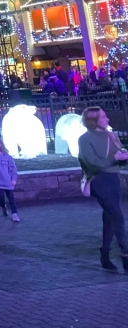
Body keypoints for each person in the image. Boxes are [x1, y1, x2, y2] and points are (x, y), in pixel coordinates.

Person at [78, 107, 128, 272]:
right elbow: (92, 162)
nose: (107, 119)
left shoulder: (110, 136)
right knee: (118, 217)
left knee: (110, 218)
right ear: (94, 121)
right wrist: (114, 158)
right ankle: (125, 254)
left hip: (113, 179)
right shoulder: (85, 139)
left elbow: (119, 158)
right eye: (103, 117)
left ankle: (105, 255)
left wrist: (123, 158)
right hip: (99, 180)